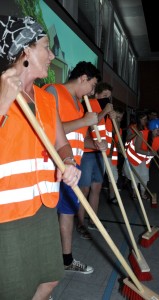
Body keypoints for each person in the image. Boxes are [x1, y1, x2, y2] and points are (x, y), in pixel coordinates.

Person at [0, 16, 81, 300]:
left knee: (50, 278)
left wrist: (69, 163)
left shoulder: (45, 99)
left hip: (44, 206)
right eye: (46, 47)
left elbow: (62, 145)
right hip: (8, 215)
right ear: (25, 52)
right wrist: (3, 101)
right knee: (14, 290)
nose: (52, 55)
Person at [43, 62, 107, 273]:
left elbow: (77, 140)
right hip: (52, 167)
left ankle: (66, 259)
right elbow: (49, 130)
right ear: (83, 78)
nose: (92, 91)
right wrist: (82, 121)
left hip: (72, 168)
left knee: (68, 211)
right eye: (92, 85)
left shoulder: (79, 105)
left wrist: (94, 145)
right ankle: (46, 265)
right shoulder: (53, 91)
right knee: (47, 216)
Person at [77, 82, 115, 233]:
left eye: (109, 97)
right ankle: (80, 223)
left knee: (97, 188)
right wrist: (105, 112)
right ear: (97, 95)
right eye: (104, 96)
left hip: (101, 154)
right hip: (87, 152)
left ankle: (93, 221)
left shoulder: (106, 110)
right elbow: (88, 125)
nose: (107, 99)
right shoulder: (89, 104)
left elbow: (109, 133)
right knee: (84, 189)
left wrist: (113, 118)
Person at [123, 118, 159, 199]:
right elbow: (137, 149)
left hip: (144, 160)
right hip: (134, 158)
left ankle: (143, 193)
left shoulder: (158, 139)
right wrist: (149, 153)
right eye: (157, 130)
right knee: (136, 177)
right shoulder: (142, 134)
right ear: (152, 130)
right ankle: (135, 193)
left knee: (145, 176)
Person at [106, 106, 124, 204]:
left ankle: (112, 197)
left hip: (112, 157)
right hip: (103, 155)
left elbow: (119, 142)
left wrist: (121, 149)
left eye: (120, 118)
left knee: (113, 177)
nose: (118, 120)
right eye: (116, 117)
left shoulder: (119, 129)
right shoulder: (107, 123)